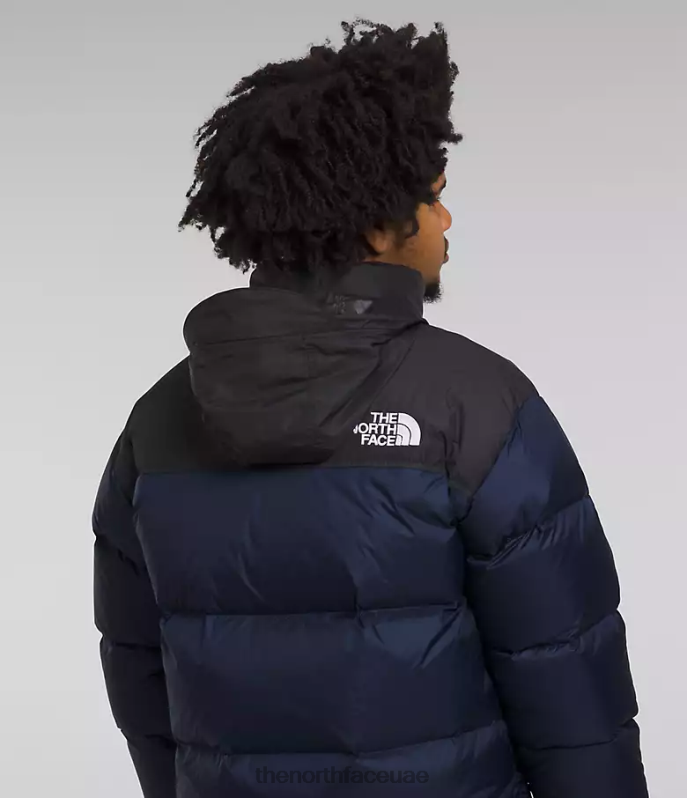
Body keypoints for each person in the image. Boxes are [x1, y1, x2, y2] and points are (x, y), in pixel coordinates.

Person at [91, 18, 649, 798]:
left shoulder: (156, 424)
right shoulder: (476, 406)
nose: (445, 221)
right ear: (378, 222)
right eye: (434, 198)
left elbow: (140, 682)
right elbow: (569, 691)